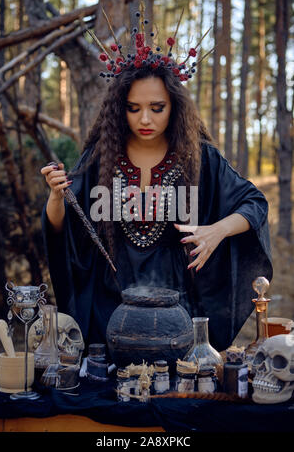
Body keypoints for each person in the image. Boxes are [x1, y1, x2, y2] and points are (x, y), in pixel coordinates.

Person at [40, 48, 272, 356]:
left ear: (174, 106)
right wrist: (56, 197)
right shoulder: (101, 158)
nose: (145, 119)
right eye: (133, 108)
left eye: (157, 107)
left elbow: (254, 204)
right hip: (110, 307)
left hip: (179, 311)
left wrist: (216, 230)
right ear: (119, 109)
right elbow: (65, 227)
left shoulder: (200, 159)